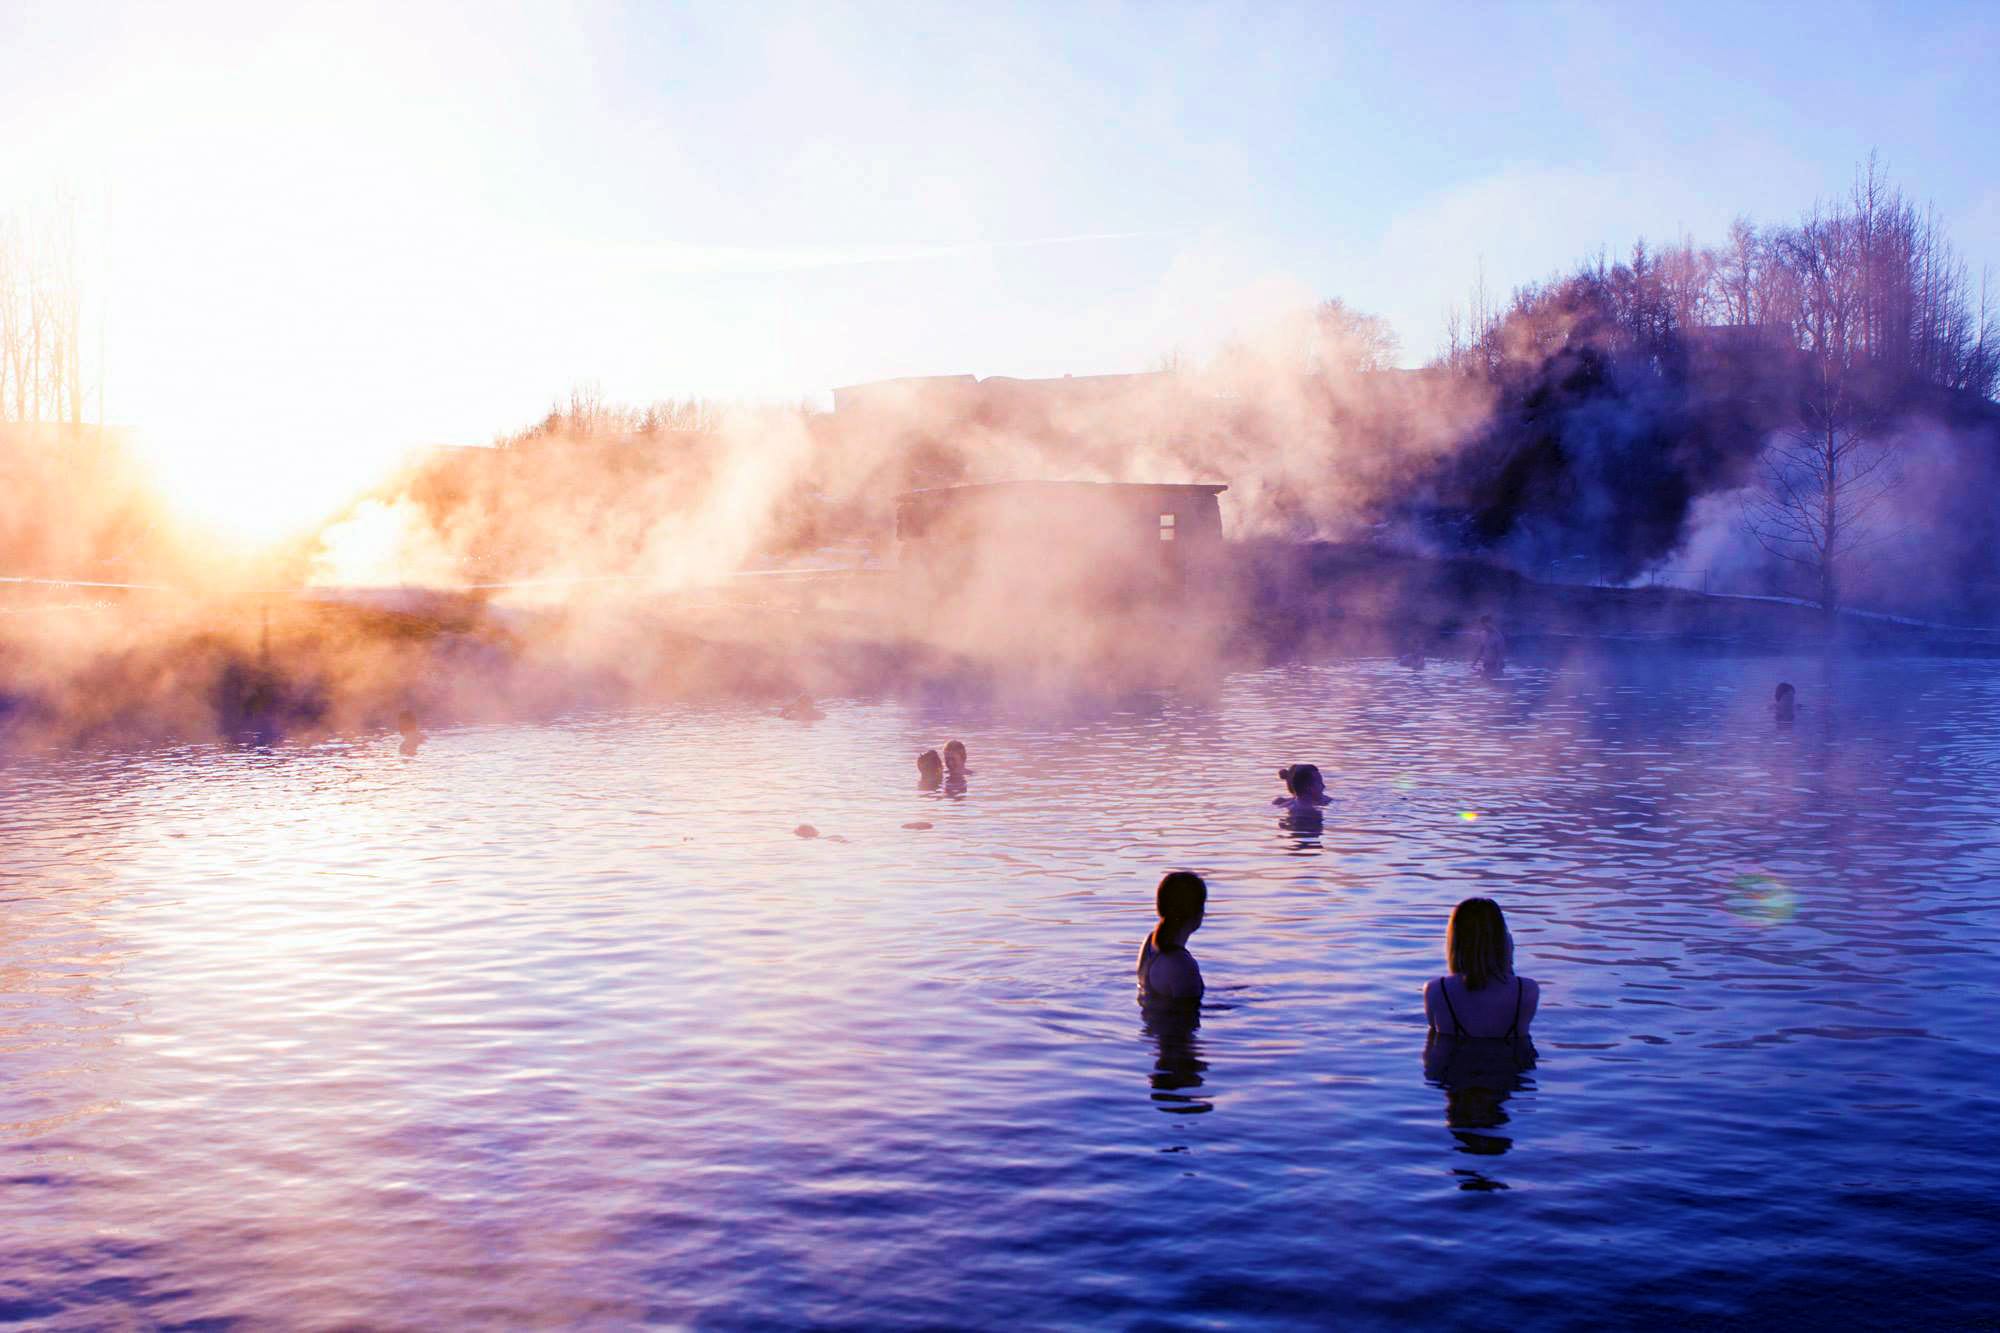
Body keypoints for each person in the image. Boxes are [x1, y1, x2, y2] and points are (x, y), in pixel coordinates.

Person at [1424, 897, 1539, 1039]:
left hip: (1454, 1059)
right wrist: (1507, 959)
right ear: (1502, 938)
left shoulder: (1437, 990)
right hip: (1511, 1060)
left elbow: (1433, 1046)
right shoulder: (1526, 990)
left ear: (1455, 941)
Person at [1136, 871, 1207, 1002]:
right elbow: (1188, 1016)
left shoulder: (1149, 944)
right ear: (1197, 912)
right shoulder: (1182, 965)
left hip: (1152, 1021)